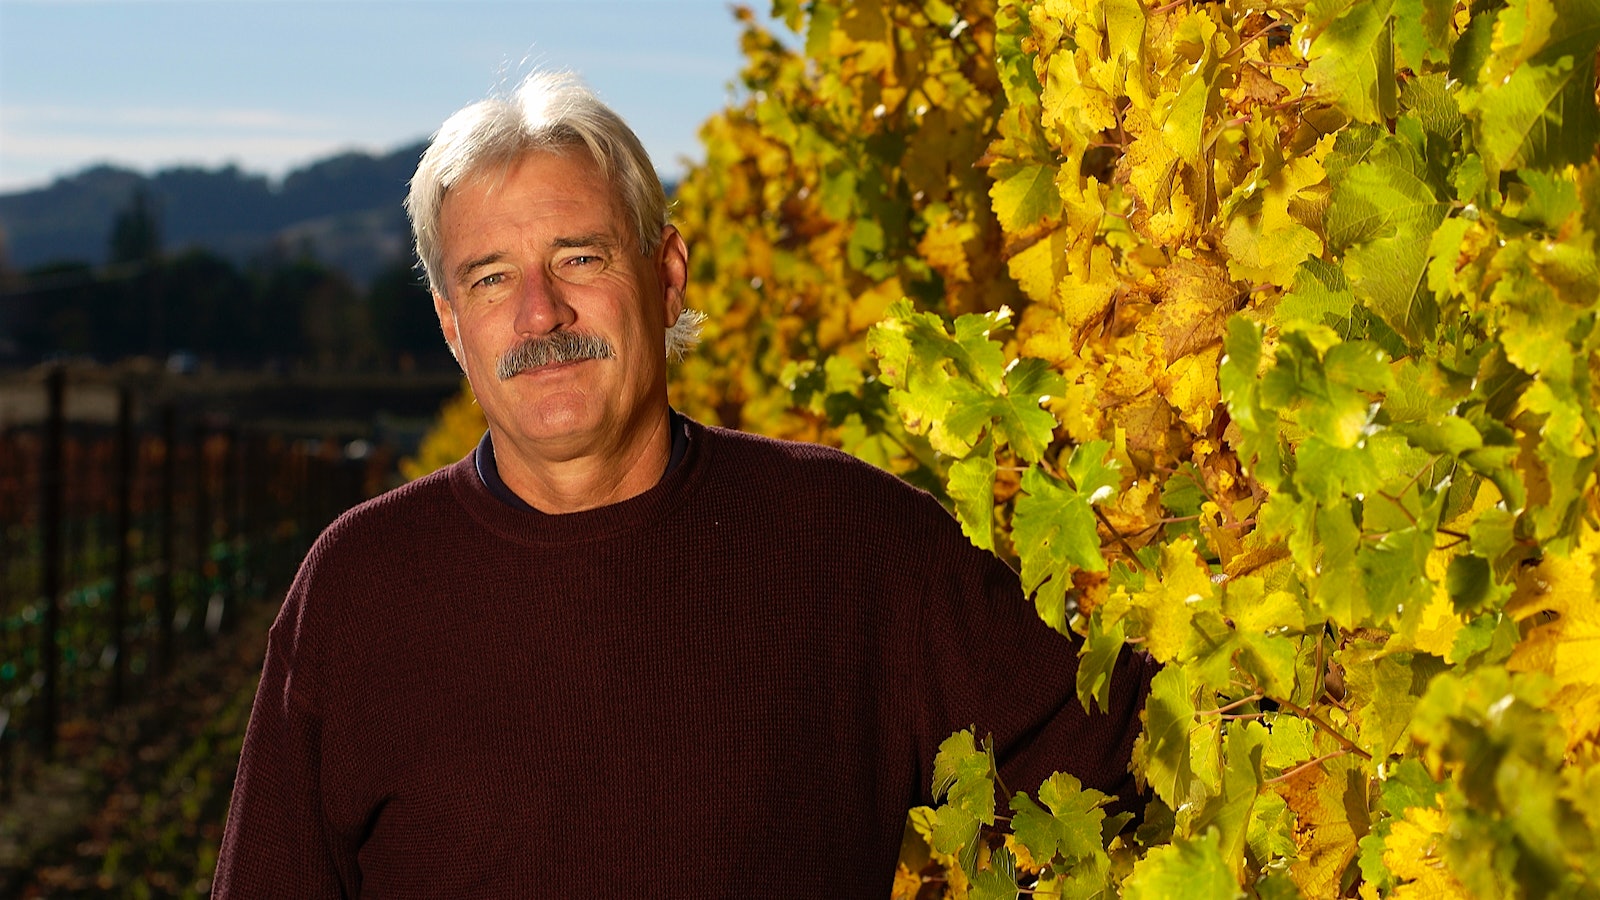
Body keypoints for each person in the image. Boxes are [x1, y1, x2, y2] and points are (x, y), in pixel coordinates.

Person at [214, 70, 1153, 898]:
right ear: (455, 326)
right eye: (492, 279)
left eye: (580, 257)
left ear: (666, 276)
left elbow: (1118, 766)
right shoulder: (358, 588)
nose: (542, 313)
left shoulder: (854, 540)